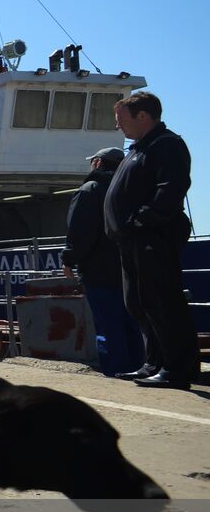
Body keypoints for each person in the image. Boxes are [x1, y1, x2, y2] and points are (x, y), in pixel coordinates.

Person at [102, 91, 198, 389]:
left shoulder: (166, 144)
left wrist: (140, 220)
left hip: (152, 236)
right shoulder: (139, 149)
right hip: (132, 239)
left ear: (142, 116)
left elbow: (171, 188)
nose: (118, 126)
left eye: (121, 119)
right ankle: (154, 363)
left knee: (161, 301)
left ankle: (176, 368)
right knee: (138, 302)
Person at [63, 147, 144, 376]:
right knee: (133, 324)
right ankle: (139, 369)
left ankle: (116, 373)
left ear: (98, 163)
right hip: (132, 268)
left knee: (108, 326)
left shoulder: (90, 190)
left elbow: (81, 231)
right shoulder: (132, 190)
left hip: (99, 271)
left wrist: (69, 259)